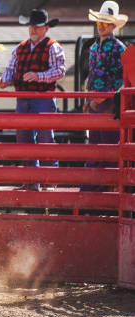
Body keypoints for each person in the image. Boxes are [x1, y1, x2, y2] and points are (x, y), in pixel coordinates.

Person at [0, 9, 66, 191]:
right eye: (31, 26)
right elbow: (10, 71)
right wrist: (3, 81)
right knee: (23, 139)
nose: (33, 29)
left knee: (45, 138)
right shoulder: (20, 48)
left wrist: (39, 76)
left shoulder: (53, 46)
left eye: (37, 27)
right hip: (23, 99)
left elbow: (60, 71)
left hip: (43, 99)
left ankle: (49, 181)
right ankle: (29, 180)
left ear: (45, 28)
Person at [81, 1, 128, 192]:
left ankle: (107, 187)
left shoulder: (119, 48)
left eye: (105, 24)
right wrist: (87, 99)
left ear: (113, 26)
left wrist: (109, 97)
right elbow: (91, 76)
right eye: (99, 23)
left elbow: (122, 78)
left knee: (108, 144)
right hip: (94, 102)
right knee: (95, 143)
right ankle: (95, 187)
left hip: (109, 103)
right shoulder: (93, 48)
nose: (100, 27)